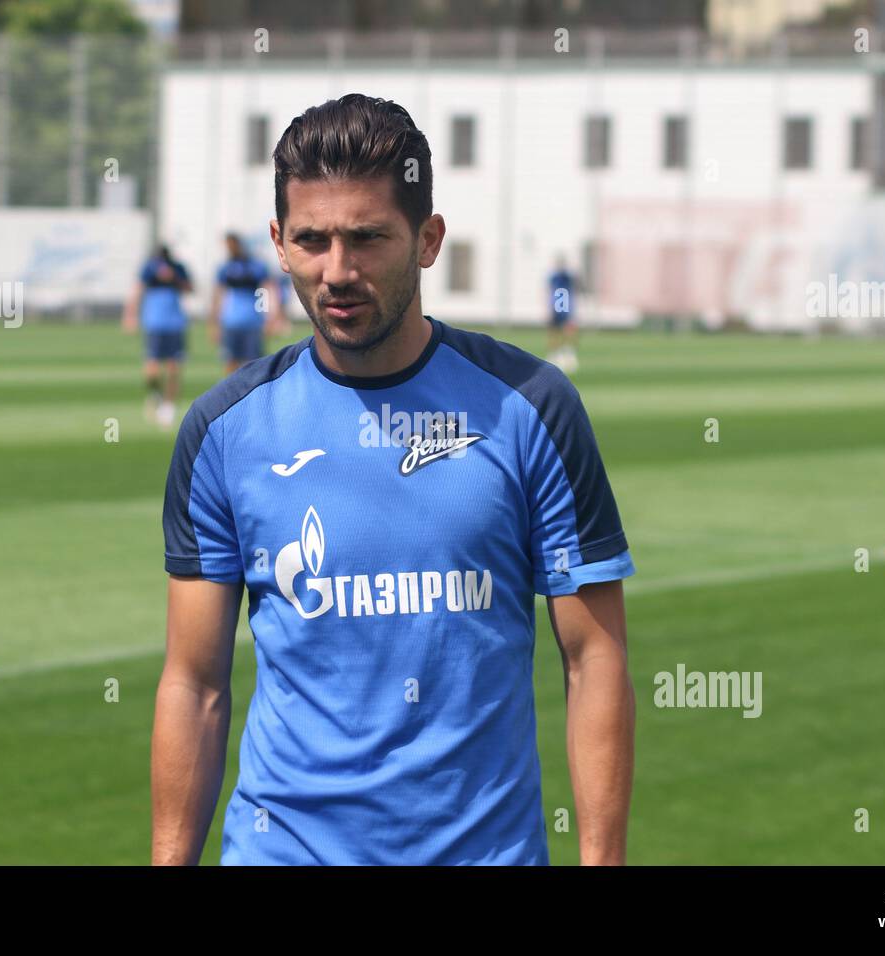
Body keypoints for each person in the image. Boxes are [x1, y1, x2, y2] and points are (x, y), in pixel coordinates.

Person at [153, 93, 636, 866]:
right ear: (278, 243)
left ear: (428, 239)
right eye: (311, 240)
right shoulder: (223, 430)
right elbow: (195, 683)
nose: (336, 272)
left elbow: (595, 658)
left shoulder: (532, 407)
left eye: (367, 239)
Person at [124, 244, 194, 427]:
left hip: (175, 324)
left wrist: (175, 278)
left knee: (173, 367)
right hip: (154, 323)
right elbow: (138, 290)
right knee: (151, 370)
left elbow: (190, 288)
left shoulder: (178, 268)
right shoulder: (149, 268)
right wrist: (131, 315)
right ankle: (155, 394)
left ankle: (168, 408)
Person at [209, 233, 273, 376]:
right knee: (230, 362)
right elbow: (218, 296)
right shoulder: (225, 268)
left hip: (252, 321)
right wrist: (214, 323)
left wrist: (268, 317)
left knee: (255, 364)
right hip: (230, 322)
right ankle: (233, 396)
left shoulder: (256, 266)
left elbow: (265, 291)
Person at [547, 254, 580, 373]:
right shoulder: (554, 277)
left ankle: (569, 353)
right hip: (556, 306)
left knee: (568, 329)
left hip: (566, 306)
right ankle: (555, 354)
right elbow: (550, 290)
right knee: (554, 330)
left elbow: (574, 287)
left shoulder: (568, 277)